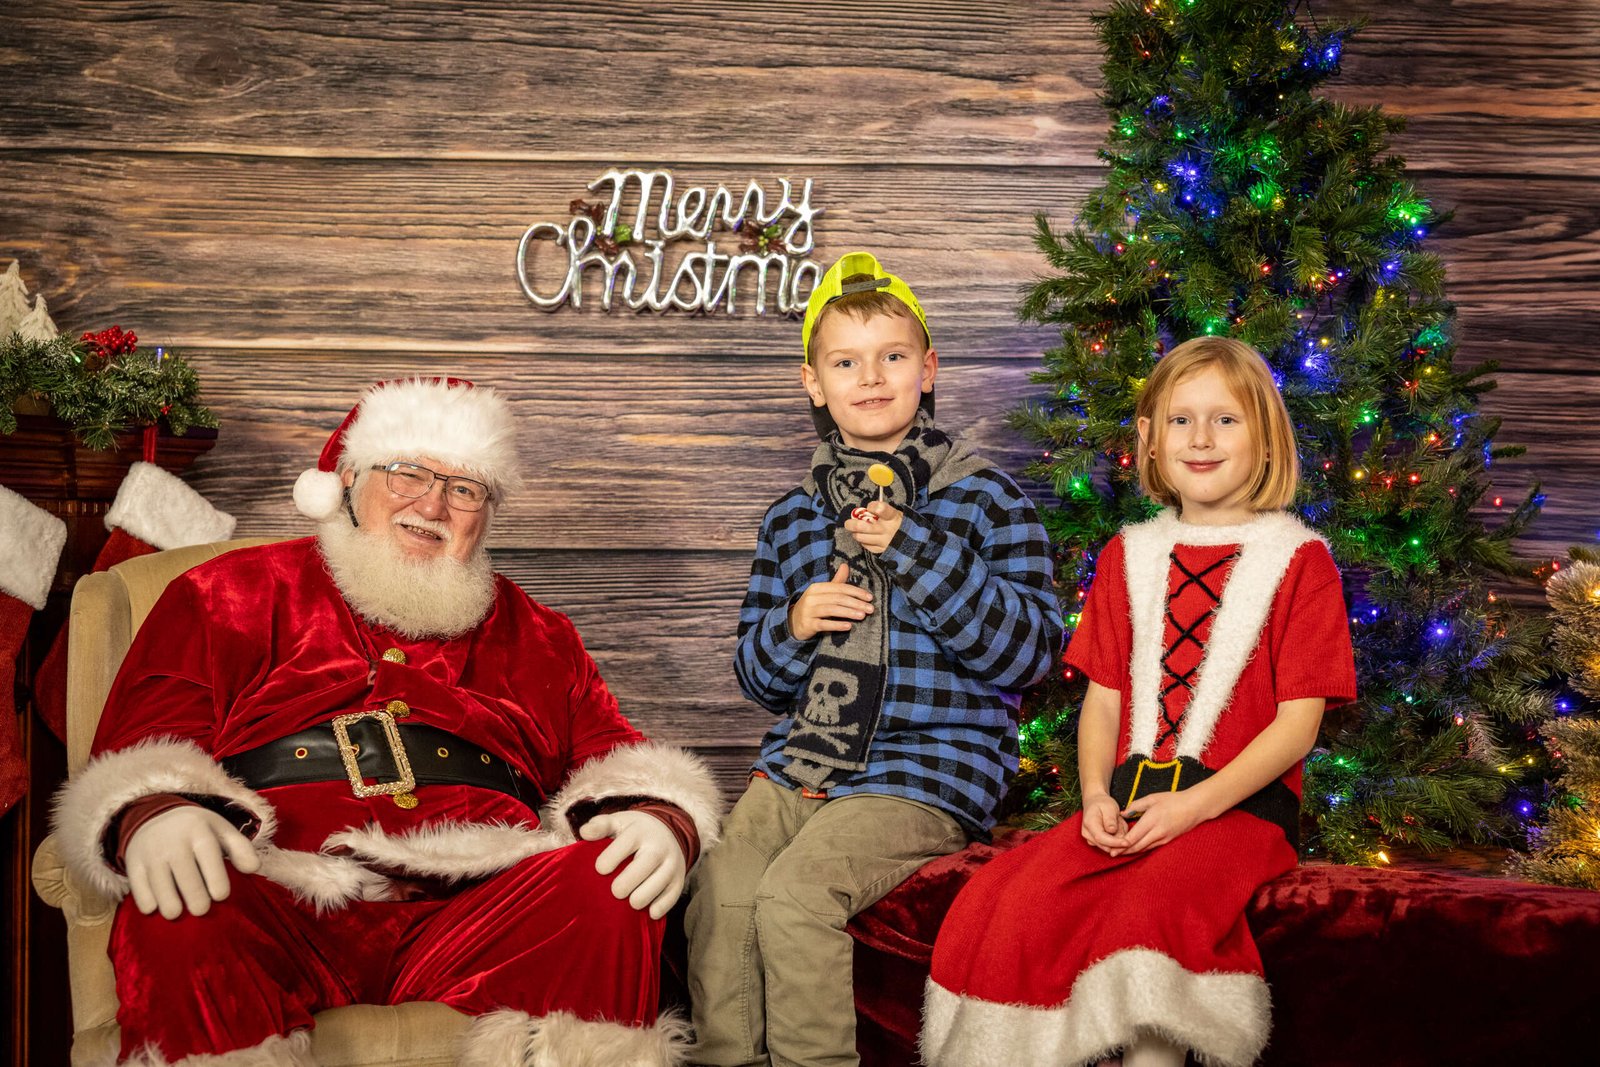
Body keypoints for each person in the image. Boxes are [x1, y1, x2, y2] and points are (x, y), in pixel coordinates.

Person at [52, 377, 723, 1067]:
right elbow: (148, 737)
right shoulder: (227, 591)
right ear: (348, 478)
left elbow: (615, 755)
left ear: (486, 513)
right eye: (407, 473)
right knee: (188, 897)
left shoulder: (542, 634)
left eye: (464, 488)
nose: (432, 505)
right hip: (284, 891)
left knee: (609, 883)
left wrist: (659, 815)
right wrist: (156, 809)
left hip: (482, 909)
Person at [921, 337, 1359, 1067]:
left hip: (1239, 810)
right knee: (1007, 895)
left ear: (1265, 437)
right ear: (1151, 439)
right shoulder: (1129, 555)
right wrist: (1096, 795)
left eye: (1225, 419)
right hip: (1130, 799)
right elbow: (1104, 700)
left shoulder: (1300, 560)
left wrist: (1194, 806)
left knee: (1150, 911)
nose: (1201, 438)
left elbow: (1297, 726)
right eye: (1181, 420)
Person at [685, 252, 1061, 1067]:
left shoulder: (989, 501)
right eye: (846, 362)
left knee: (795, 896)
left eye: (892, 356)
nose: (871, 377)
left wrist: (916, 550)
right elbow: (756, 678)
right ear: (814, 384)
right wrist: (794, 624)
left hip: (927, 766)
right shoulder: (790, 519)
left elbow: (1030, 653)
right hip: (805, 760)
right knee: (725, 885)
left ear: (928, 369)